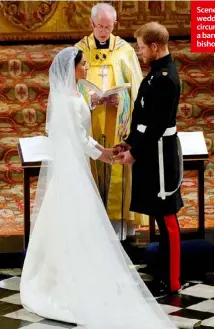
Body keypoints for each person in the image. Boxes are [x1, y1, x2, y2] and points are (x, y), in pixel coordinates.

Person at [20, 46, 178, 329]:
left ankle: (72, 272)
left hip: (77, 164)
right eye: (83, 65)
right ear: (72, 68)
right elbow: (77, 137)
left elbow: (80, 135)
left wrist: (103, 150)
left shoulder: (73, 94)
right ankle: (65, 279)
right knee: (73, 221)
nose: (86, 69)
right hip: (74, 167)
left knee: (73, 222)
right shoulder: (68, 100)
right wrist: (102, 153)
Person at [116, 22, 184, 296]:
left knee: (167, 218)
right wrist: (130, 142)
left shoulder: (165, 77)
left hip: (159, 155)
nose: (140, 52)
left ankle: (173, 279)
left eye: (142, 47)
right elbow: (142, 118)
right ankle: (163, 272)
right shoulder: (156, 73)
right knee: (158, 214)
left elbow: (156, 125)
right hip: (150, 150)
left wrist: (134, 152)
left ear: (154, 47)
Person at [75, 3, 148, 241]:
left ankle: (119, 229)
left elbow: (136, 89)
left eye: (108, 27)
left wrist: (123, 100)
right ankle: (90, 227)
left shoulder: (124, 50)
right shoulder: (79, 50)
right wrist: (90, 98)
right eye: (99, 26)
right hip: (91, 121)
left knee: (117, 167)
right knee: (92, 164)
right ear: (91, 24)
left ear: (115, 24)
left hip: (118, 122)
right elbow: (71, 87)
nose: (104, 31)